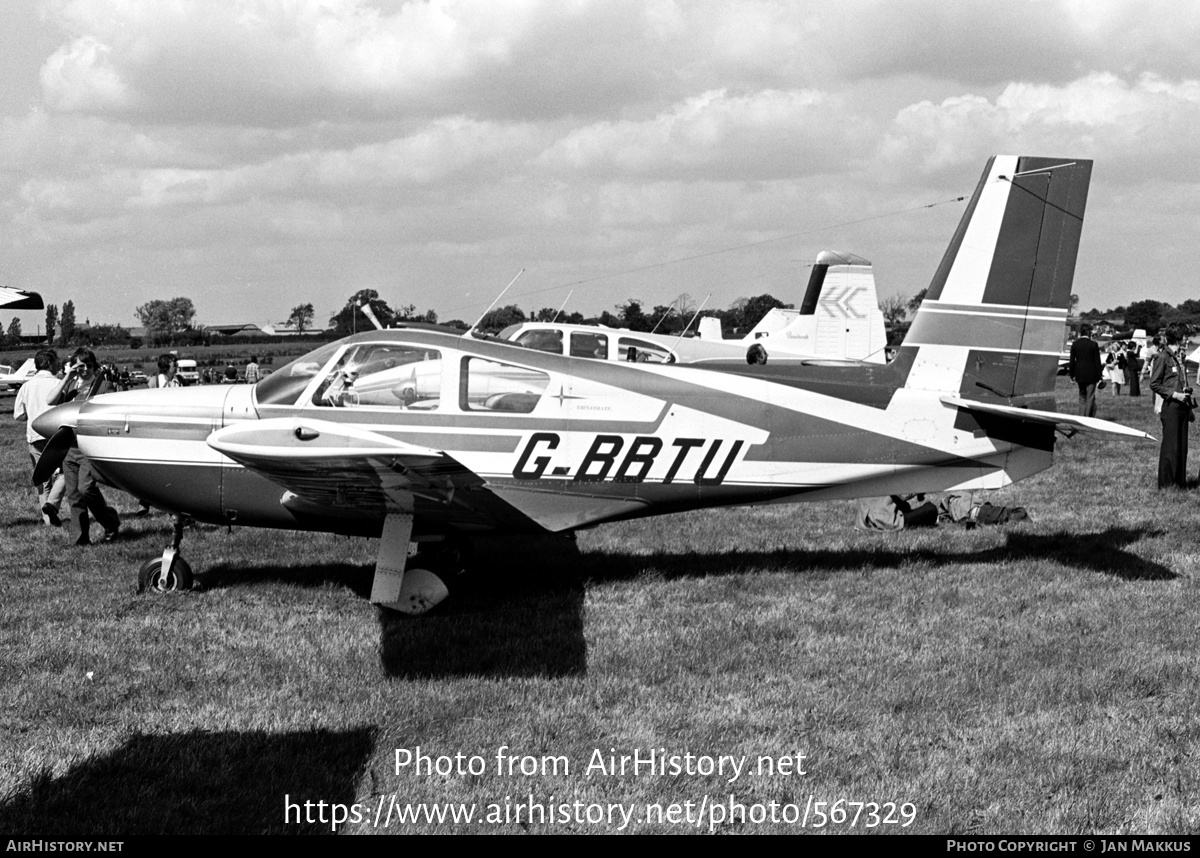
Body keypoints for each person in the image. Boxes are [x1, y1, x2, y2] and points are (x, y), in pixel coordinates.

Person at [47, 348, 121, 545]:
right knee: (73, 494)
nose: (85, 369)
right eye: (81, 365)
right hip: (69, 448)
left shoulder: (104, 386)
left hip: (90, 447)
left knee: (86, 488)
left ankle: (110, 521)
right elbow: (50, 401)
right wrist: (67, 375)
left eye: (89, 365)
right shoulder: (70, 385)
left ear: (95, 366)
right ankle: (79, 539)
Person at [12, 349, 65, 527]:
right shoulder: (58, 383)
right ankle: (53, 506)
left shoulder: (27, 386)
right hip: (56, 435)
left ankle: (47, 518)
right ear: (50, 364)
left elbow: (18, 415)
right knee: (61, 474)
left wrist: (31, 413)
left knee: (42, 479)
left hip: (35, 436)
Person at [1148, 328, 1192, 489]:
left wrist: (1186, 395)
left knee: (1182, 446)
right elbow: (1154, 383)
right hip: (1171, 406)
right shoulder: (1162, 357)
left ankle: (1179, 483)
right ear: (1178, 338)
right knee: (1171, 446)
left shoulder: (1180, 358)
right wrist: (1174, 395)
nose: (1188, 340)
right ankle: (1167, 484)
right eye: (1186, 337)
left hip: (1183, 406)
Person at [1067, 323, 1103, 417]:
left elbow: (1072, 361)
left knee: (1082, 395)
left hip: (1079, 373)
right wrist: (1100, 376)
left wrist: (1071, 374)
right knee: (1090, 396)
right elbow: (1097, 362)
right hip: (1092, 373)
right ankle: (1087, 417)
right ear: (1089, 333)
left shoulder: (1075, 344)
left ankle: (1081, 416)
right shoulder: (1094, 344)